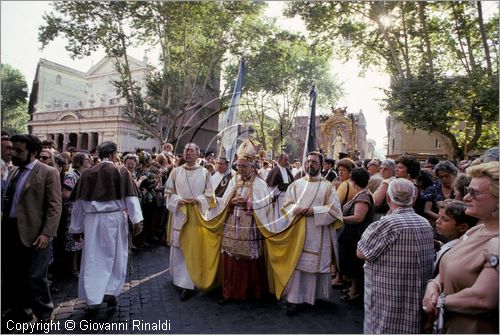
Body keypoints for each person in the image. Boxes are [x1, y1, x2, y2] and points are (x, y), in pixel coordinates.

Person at [422, 161, 499, 334]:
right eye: (467, 191)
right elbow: (450, 265)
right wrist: (433, 284)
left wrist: (438, 301)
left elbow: (483, 298)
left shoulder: (496, 241)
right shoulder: (477, 229)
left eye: (474, 193)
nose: (465, 198)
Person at [69, 141, 143, 312]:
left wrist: (76, 228)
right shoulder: (121, 171)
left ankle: (93, 298)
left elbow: (78, 204)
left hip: (92, 221)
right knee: (115, 256)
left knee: (93, 257)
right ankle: (110, 292)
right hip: (115, 219)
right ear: (112, 154)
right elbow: (131, 199)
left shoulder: (86, 174)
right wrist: (137, 221)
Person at [357, 178, 435, 333]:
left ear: (387, 197)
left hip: (388, 297)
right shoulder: (425, 223)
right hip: (416, 296)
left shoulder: (386, 223)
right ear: (413, 199)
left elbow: (361, 252)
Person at [1, 134, 62, 323]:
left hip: (35, 233)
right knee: (12, 273)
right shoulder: (13, 171)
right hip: (10, 230)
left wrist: (46, 233)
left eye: (19, 150)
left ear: (33, 152)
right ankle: (20, 310)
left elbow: (55, 206)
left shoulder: (47, 172)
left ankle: (44, 314)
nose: (13, 153)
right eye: (12, 149)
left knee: (35, 276)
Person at [280, 151, 343, 315]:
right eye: (308, 161)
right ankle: (294, 298)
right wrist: (296, 210)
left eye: (314, 162)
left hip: (318, 232)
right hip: (297, 232)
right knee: (297, 265)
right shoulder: (296, 184)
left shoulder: (328, 186)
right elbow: (286, 205)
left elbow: (335, 210)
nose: (310, 164)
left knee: (312, 267)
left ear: (321, 165)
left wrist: (313, 211)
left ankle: (312, 297)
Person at [218, 139, 273, 304]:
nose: (240, 169)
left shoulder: (260, 183)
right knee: (230, 258)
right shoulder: (233, 180)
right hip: (231, 223)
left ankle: (250, 292)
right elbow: (224, 199)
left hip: (250, 225)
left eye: (243, 166)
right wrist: (231, 202)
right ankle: (229, 292)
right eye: (238, 166)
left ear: (252, 166)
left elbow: (265, 204)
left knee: (248, 260)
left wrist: (249, 203)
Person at [165, 142, 215, 301]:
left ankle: (189, 283)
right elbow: (168, 192)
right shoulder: (175, 172)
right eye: (186, 150)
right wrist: (178, 200)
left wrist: (197, 200)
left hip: (196, 215)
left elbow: (209, 195)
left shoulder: (205, 173)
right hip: (179, 214)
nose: (187, 153)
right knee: (179, 246)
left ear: (198, 154)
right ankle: (177, 278)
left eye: (191, 151)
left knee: (192, 248)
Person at [338, 167, 374, 304]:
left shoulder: (363, 196)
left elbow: (358, 217)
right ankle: (353, 288)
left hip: (355, 235)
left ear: (353, 181)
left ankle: (354, 291)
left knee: (353, 264)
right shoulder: (363, 193)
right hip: (352, 235)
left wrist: (340, 218)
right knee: (351, 263)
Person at [266, 153, 294, 218]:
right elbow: (271, 186)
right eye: (285, 160)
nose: (287, 162)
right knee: (279, 216)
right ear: (280, 160)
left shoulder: (287, 170)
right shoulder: (274, 171)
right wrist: (272, 198)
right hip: (279, 198)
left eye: (287, 160)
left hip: (288, 198)